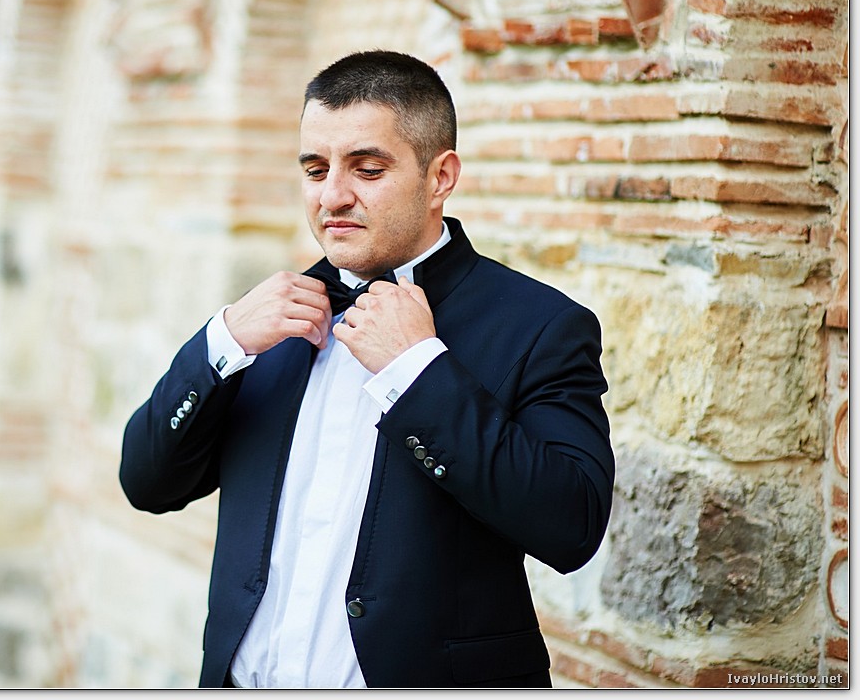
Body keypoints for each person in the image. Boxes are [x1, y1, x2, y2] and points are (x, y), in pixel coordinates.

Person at [119, 50, 614, 688]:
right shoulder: (266, 323)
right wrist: (220, 343)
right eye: (315, 169)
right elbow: (147, 483)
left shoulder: (541, 325)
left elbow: (571, 527)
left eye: (368, 169)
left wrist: (418, 371)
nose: (333, 196)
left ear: (440, 177)